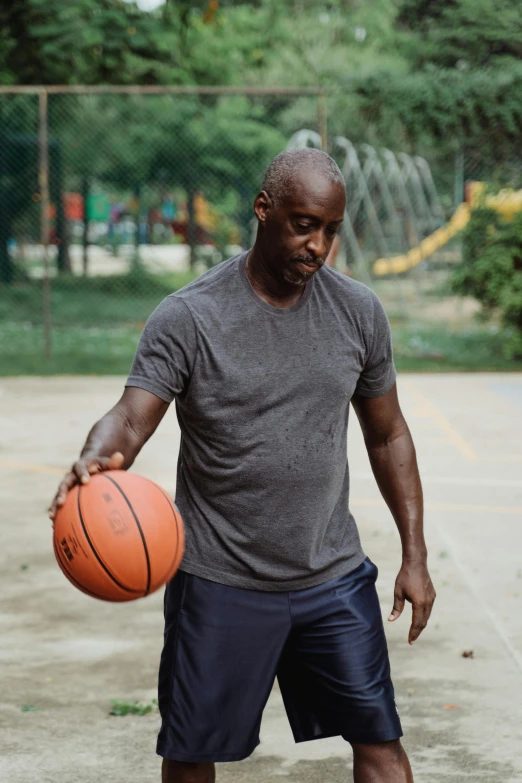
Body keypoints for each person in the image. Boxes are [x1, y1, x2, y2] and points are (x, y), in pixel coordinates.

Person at [50, 148, 435, 783]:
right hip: (218, 581)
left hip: (331, 575)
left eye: (332, 230)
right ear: (264, 210)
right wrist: (95, 458)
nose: (319, 246)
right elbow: (131, 415)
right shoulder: (191, 316)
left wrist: (414, 556)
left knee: (381, 748)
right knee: (191, 754)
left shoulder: (358, 312)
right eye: (304, 224)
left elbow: (388, 435)